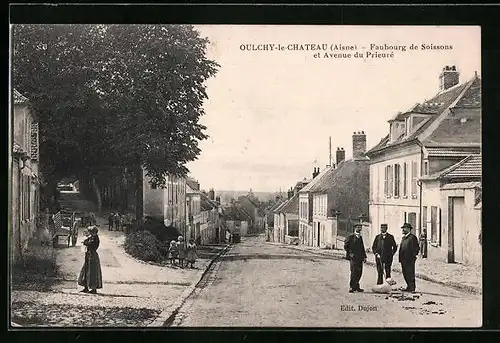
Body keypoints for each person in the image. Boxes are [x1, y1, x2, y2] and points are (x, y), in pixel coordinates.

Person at [77, 226, 103, 294]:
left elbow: (91, 244)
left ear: (94, 232)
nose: (90, 233)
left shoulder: (96, 238)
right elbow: (87, 241)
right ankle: (86, 287)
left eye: (91, 232)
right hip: (89, 255)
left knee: (92, 272)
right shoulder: (92, 237)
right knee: (86, 271)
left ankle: (93, 288)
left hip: (93, 256)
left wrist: (86, 242)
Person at [344, 224, 367, 293]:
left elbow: (362, 248)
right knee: (354, 272)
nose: (359, 229)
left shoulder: (360, 237)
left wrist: (364, 257)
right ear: (355, 228)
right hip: (353, 258)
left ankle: (357, 286)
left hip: (360, 258)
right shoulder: (350, 237)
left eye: (360, 227)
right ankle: (351, 287)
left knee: (359, 272)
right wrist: (350, 253)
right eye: (358, 227)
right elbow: (346, 246)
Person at [399, 223, 420, 292]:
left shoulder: (412, 238)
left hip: (409, 259)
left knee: (410, 273)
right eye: (403, 228)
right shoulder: (404, 238)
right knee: (405, 273)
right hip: (403, 259)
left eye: (404, 228)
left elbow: (416, 248)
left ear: (408, 229)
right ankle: (408, 286)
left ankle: (412, 287)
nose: (403, 230)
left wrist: (413, 256)